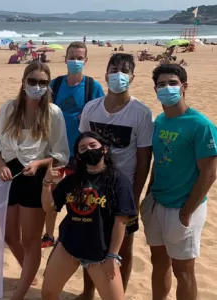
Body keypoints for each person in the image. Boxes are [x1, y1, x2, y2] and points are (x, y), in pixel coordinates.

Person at [0, 61, 69, 300]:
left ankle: (20, 294)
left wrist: (39, 164)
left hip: (36, 177)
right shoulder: (9, 109)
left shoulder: (53, 113)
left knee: (31, 240)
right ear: (23, 82)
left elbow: (61, 153)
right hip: (7, 174)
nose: (37, 86)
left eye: (43, 83)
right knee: (10, 235)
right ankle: (28, 275)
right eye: (32, 81)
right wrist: (0, 165)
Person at [78, 53, 153, 299]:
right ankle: (88, 292)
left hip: (124, 190)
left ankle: (121, 291)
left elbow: (144, 160)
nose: (118, 74)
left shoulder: (141, 113)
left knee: (124, 247)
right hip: (92, 187)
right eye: (114, 68)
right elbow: (82, 148)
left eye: (124, 70)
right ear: (106, 73)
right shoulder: (92, 108)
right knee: (90, 241)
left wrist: (133, 196)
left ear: (133, 76)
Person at [141, 64, 216, 300]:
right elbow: (157, 160)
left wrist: (187, 211)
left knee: (183, 271)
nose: (167, 88)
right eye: (161, 84)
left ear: (184, 86)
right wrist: (149, 194)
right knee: (159, 263)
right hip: (157, 202)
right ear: (155, 89)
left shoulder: (201, 125)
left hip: (183, 208)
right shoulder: (161, 121)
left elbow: (210, 173)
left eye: (172, 83)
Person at [41, 131, 137, 300]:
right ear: (78, 155)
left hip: (100, 252)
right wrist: (47, 183)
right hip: (70, 245)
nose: (88, 150)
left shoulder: (118, 181)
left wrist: (112, 256)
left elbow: (121, 222)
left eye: (93, 146)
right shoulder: (73, 180)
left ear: (105, 149)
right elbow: (49, 207)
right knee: (48, 293)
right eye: (83, 148)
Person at [43, 41, 105, 248]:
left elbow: (100, 117)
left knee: (81, 195)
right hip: (56, 151)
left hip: (81, 153)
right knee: (52, 194)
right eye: (72, 57)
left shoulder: (92, 87)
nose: (75, 61)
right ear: (65, 59)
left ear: (86, 61)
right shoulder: (56, 84)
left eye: (79, 58)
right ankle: (49, 235)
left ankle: (76, 232)